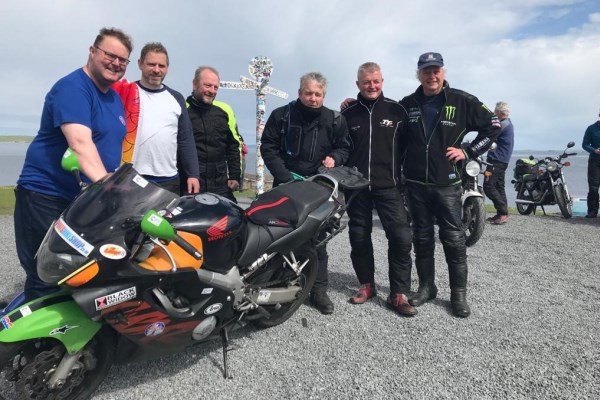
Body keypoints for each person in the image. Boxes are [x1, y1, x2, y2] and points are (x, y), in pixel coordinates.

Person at [7, 27, 133, 311]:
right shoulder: (73, 88)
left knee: (76, 271)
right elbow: (80, 144)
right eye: (110, 55)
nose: (116, 63)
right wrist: (108, 187)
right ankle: (20, 347)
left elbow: (110, 147)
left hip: (82, 199)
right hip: (45, 195)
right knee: (46, 273)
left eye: (123, 60)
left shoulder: (112, 96)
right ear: (92, 52)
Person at [399, 52, 500, 318]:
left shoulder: (462, 100)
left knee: (454, 239)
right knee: (421, 238)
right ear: (418, 74)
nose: (431, 76)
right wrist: (351, 105)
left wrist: (468, 152)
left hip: (448, 184)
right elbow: (384, 122)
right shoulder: (408, 103)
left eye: (436, 70)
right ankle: (426, 287)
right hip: (416, 184)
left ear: (443, 72)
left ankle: (458, 295)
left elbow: (493, 126)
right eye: (426, 71)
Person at [261, 72, 351, 315]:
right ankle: (277, 284)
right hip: (286, 184)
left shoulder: (335, 119)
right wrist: (284, 176)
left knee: (318, 240)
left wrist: (337, 157)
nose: (313, 98)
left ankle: (318, 290)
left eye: (318, 94)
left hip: (319, 188)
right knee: (279, 236)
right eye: (308, 93)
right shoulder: (281, 115)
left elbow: (344, 146)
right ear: (300, 92)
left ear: (324, 95)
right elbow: (268, 147)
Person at [341, 62, 416, 316]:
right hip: (357, 187)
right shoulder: (348, 114)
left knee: (401, 237)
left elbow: (408, 148)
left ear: (382, 81)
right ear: (358, 84)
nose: (371, 86)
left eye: (375, 81)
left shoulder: (397, 111)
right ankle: (366, 284)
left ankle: (398, 293)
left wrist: (403, 178)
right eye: (366, 82)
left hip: (389, 186)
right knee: (359, 238)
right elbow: (341, 148)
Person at [112, 42, 199, 195]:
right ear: (140, 64)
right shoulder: (126, 92)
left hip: (168, 180)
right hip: (130, 177)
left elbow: (185, 139)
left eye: (162, 66)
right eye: (151, 64)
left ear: (167, 68)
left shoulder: (176, 98)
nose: (156, 70)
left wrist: (193, 174)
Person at [186, 66, 242, 202]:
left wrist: (234, 175)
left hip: (220, 183)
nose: (212, 91)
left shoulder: (225, 110)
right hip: (191, 181)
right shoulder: (182, 110)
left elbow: (234, 144)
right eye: (207, 85)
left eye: (215, 87)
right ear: (195, 84)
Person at [483, 101, 515, 225]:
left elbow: (487, 136)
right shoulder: (508, 123)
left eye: (495, 112)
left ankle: (502, 212)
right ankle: (502, 214)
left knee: (488, 186)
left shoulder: (502, 125)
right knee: (499, 187)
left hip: (496, 160)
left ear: (499, 112)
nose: (494, 114)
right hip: (502, 160)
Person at [581, 109, 600, 218]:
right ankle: (592, 211)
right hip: (595, 161)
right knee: (593, 187)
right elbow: (585, 144)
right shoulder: (591, 128)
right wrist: (594, 150)